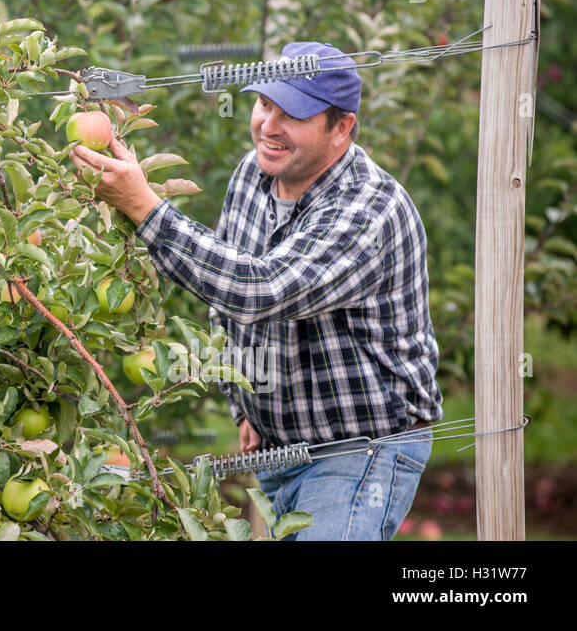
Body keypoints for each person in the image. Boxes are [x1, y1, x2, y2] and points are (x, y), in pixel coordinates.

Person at [69, 41, 443, 540]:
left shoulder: (368, 211)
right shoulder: (255, 173)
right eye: (265, 104)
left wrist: (144, 207)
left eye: (293, 115)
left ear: (342, 127)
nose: (269, 125)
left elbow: (259, 288)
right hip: (277, 447)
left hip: (363, 450)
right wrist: (243, 401)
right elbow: (228, 295)